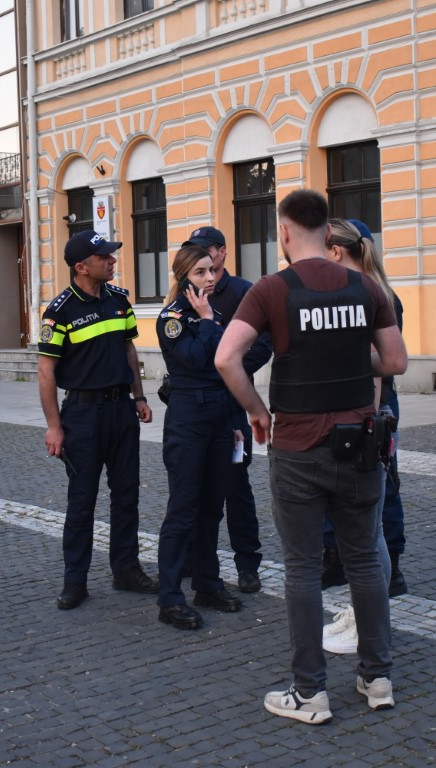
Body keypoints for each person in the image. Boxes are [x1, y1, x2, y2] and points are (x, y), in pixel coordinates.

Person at [215, 189, 407, 724]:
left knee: (301, 567)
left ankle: (309, 693)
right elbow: (395, 361)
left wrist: (256, 410)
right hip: (358, 442)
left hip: (298, 447)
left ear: (283, 232)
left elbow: (226, 357)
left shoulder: (272, 289)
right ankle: (377, 677)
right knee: (365, 559)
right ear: (327, 231)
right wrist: (350, 357)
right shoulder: (365, 287)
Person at [38, 229, 157, 611]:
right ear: (81, 267)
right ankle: (75, 581)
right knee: (82, 502)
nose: (112, 260)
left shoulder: (119, 300)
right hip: (83, 416)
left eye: (111, 255)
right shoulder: (59, 311)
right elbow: (46, 372)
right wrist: (54, 426)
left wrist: (139, 396)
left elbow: (128, 349)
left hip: (121, 410)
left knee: (127, 495)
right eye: (104, 256)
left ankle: (126, 569)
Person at [155, 244, 244, 630]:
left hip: (219, 416)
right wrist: (207, 320)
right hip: (188, 418)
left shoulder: (214, 314)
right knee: (183, 510)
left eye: (212, 270)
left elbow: (226, 367)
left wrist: (234, 420)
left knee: (212, 507)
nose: (210, 277)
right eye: (201, 272)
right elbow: (193, 359)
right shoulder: (172, 318)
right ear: (183, 278)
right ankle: (170, 598)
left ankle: (207, 584)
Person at [181, 227, 272, 594]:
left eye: (206, 251)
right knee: (192, 484)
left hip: (232, 403)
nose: (203, 261)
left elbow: (263, 342)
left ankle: (247, 563)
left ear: (221, 252)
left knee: (236, 485)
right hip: (197, 405)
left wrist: (231, 371)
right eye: (195, 253)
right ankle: (192, 558)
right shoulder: (185, 294)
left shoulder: (243, 292)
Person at [321, 219, 407, 597]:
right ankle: (362, 564)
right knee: (371, 486)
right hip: (370, 404)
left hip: (369, 406)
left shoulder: (367, 295)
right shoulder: (375, 291)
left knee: (375, 487)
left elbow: (378, 363)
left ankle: (384, 571)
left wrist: (366, 419)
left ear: (336, 251)